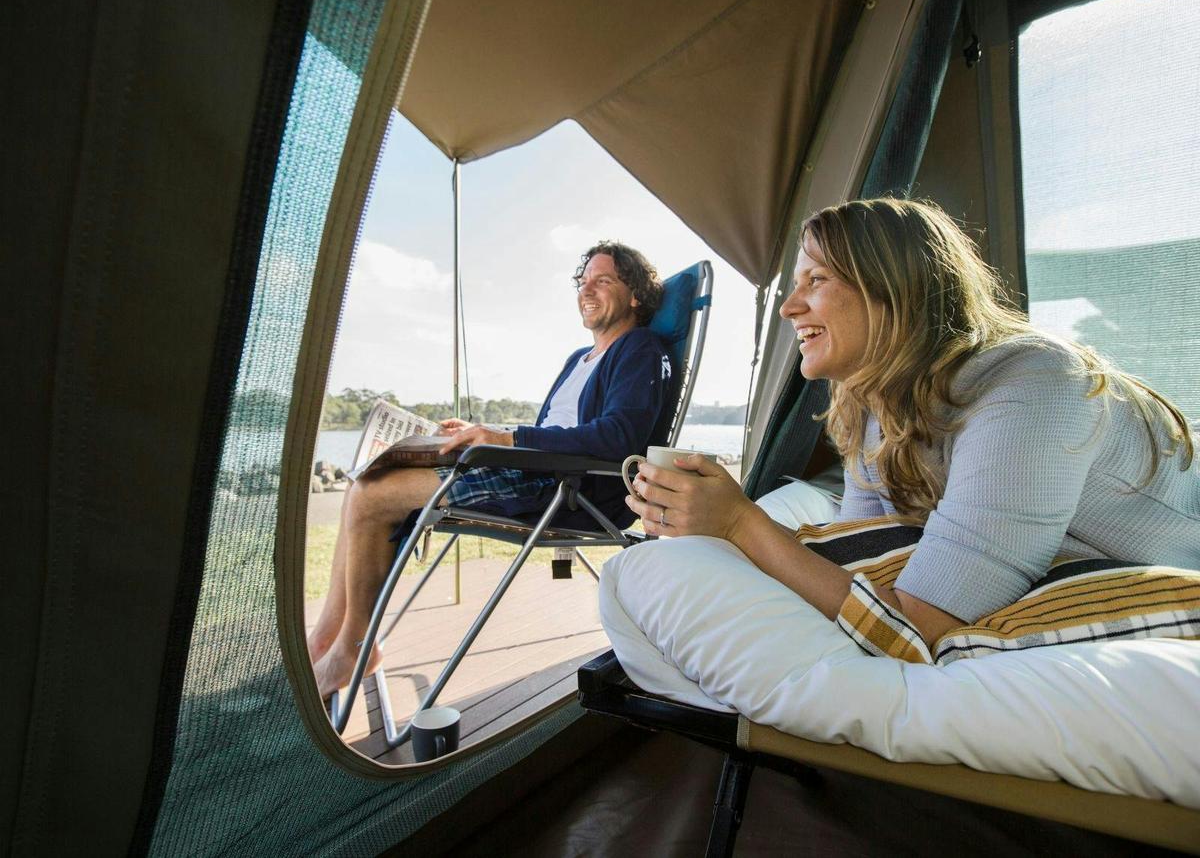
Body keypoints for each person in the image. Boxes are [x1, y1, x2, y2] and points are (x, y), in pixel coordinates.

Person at [624, 197, 1199, 657]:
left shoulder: (1032, 383)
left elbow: (921, 625)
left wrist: (740, 524)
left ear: (894, 288)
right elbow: (863, 563)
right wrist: (709, 523)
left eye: (816, 279)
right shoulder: (875, 410)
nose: (789, 307)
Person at [310, 241, 672, 697]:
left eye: (602, 280)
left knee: (373, 495)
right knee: (364, 479)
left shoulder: (638, 347)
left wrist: (510, 439)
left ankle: (351, 649)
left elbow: (619, 436)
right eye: (583, 282)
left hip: (569, 489)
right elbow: (553, 428)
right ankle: (329, 631)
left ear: (635, 295)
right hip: (533, 469)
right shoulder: (577, 359)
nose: (587, 290)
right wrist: (488, 433)